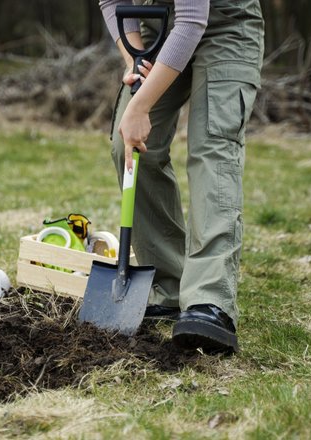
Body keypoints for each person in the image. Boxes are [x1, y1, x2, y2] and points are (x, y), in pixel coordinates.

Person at [98, 0, 264, 354]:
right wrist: (135, 59)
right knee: (126, 145)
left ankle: (209, 300)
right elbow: (112, 2)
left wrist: (140, 106)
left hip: (225, 28)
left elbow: (192, 19)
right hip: (160, 30)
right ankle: (168, 285)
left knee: (212, 148)